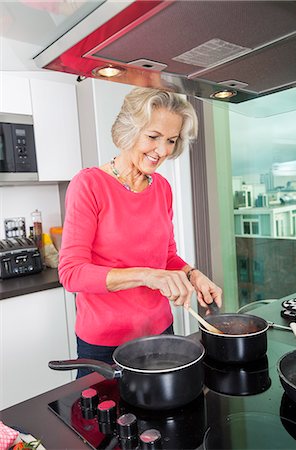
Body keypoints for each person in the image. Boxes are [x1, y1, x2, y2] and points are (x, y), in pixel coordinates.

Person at [59, 87, 222, 377]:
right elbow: (72, 273)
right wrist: (146, 275)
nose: (162, 151)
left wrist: (192, 275)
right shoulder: (89, 185)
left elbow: (167, 255)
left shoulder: (162, 189)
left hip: (161, 333)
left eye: (171, 140)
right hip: (105, 345)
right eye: (153, 137)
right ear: (129, 131)